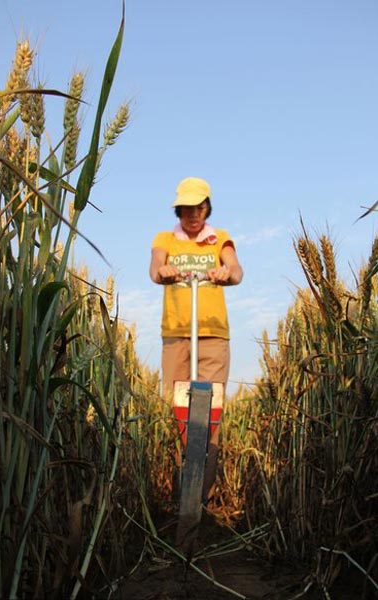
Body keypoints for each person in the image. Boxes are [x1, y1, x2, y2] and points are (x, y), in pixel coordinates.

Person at [149, 176, 243, 502]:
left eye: (199, 208)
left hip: (213, 334)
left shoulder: (220, 239)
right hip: (176, 335)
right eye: (187, 209)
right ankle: (180, 495)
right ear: (179, 210)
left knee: (209, 414)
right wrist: (165, 272)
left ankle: (201, 498)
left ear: (207, 208)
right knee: (178, 415)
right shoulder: (165, 239)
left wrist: (223, 273)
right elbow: (156, 267)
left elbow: (235, 270)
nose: (193, 215)